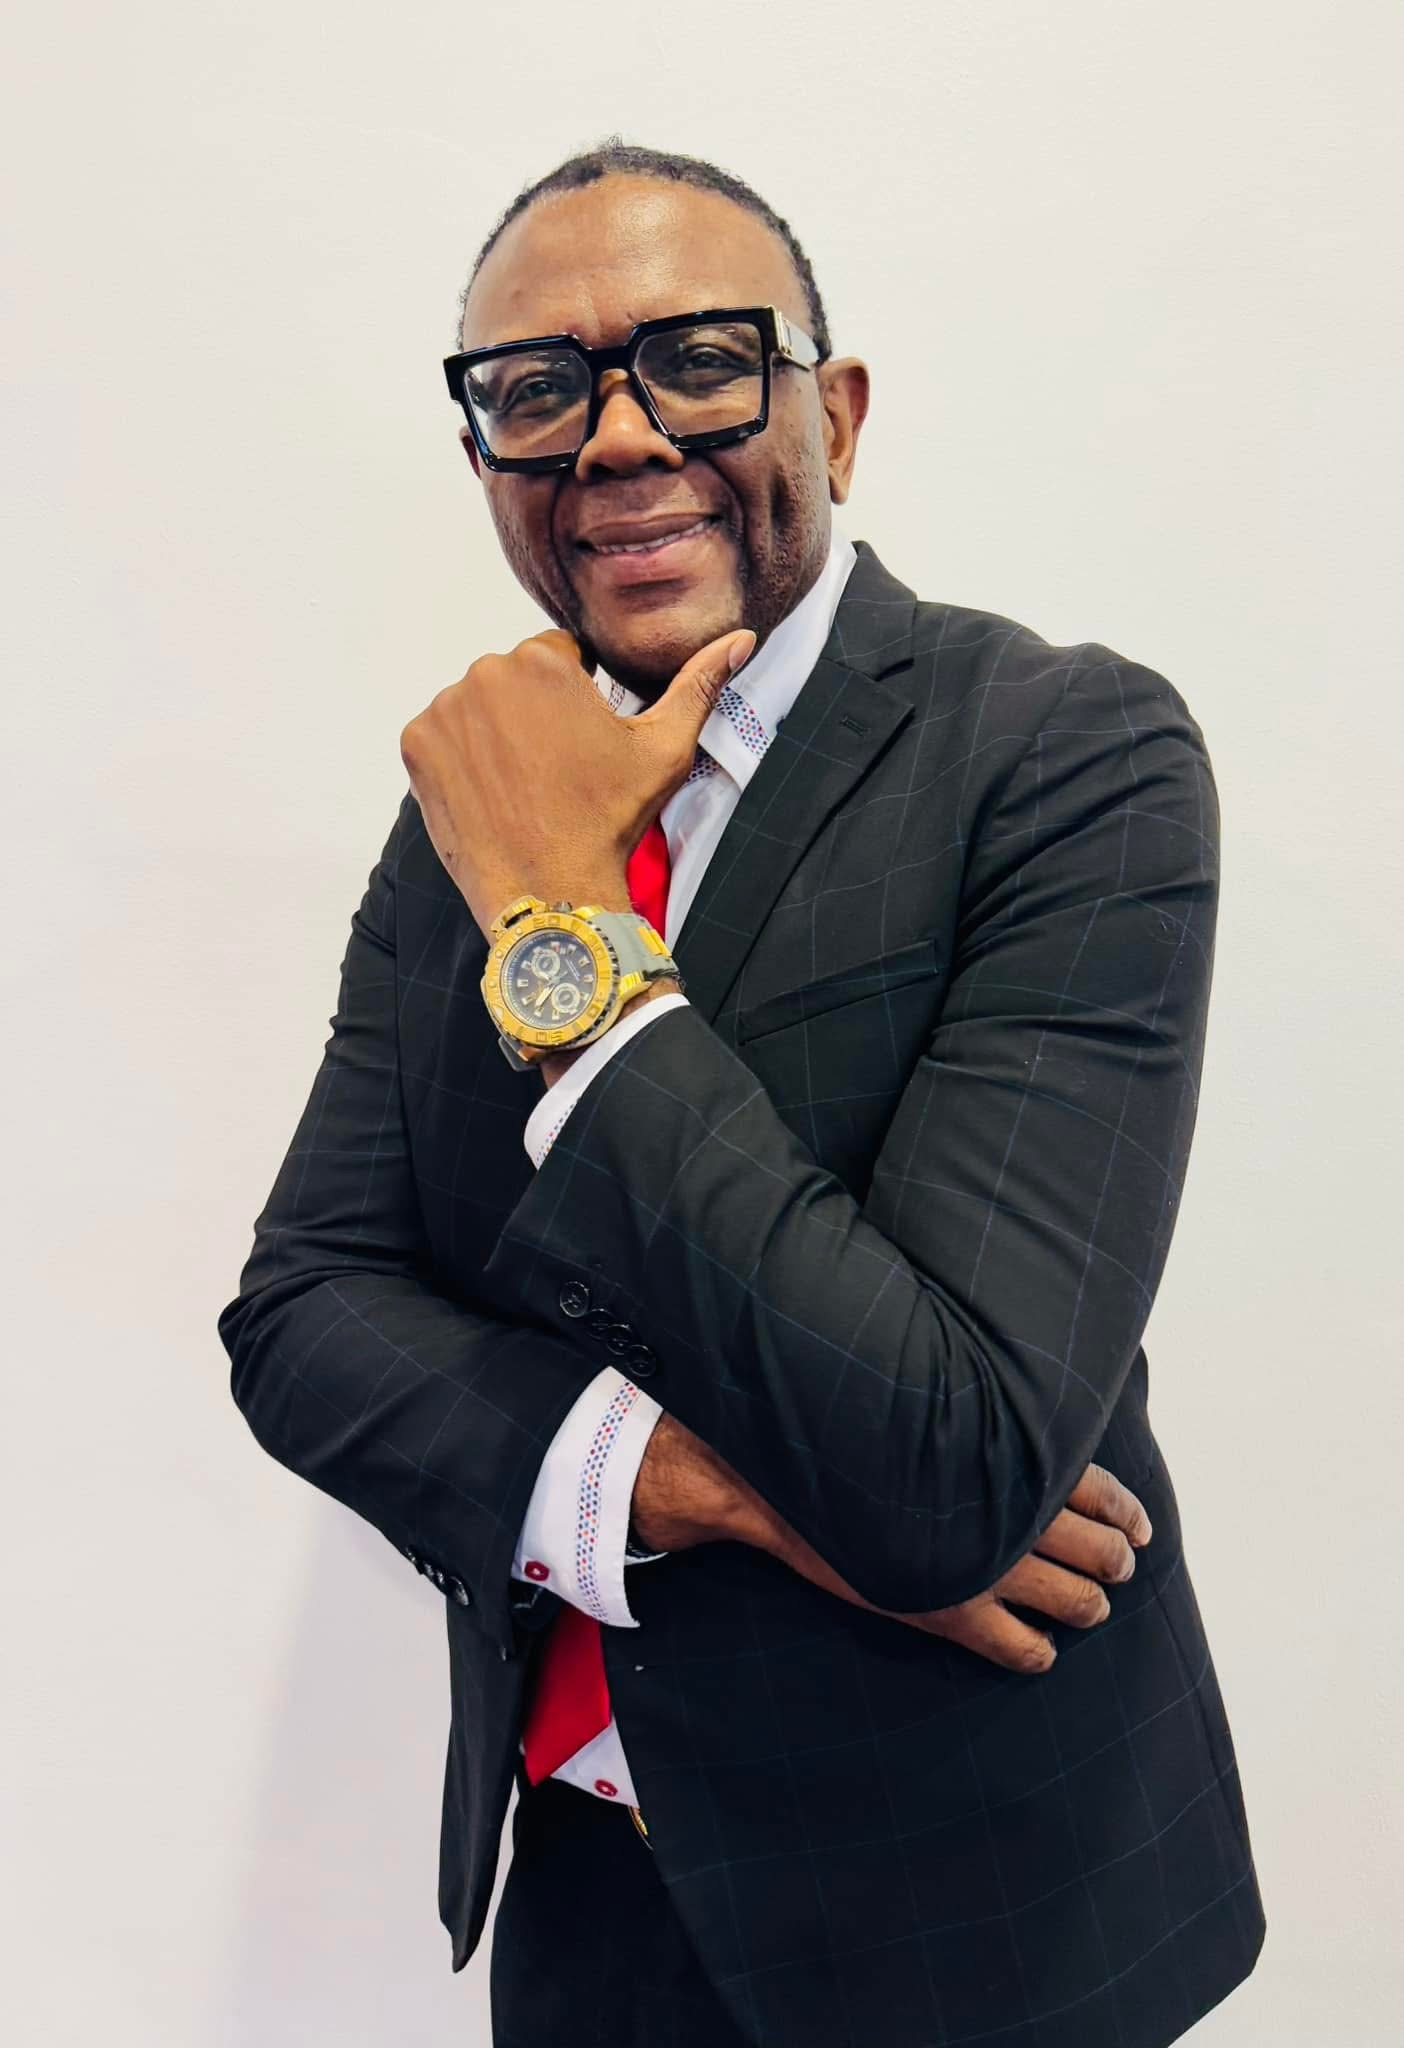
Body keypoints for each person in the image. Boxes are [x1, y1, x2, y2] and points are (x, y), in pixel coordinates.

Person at [217, 139, 1267, 2047]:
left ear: (833, 416)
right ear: (486, 459)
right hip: (588, 1882)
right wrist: (715, 1493)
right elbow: (302, 1316)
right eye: (537, 389)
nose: (618, 436)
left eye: (699, 360)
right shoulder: (464, 811)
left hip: (974, 1911)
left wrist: (564, 935)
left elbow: (946, 1461)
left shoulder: (1065, 754)